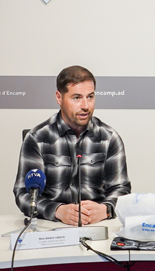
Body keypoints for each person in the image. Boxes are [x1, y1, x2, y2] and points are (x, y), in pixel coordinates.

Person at [14, 66, 131, 225]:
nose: (85, 105)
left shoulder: (109, 138)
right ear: (59, 97)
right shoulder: (37, 139)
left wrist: (105, 209)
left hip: (97, 225)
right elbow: (24, 195)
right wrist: (57, 211)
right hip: (51, 226)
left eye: (90, 97)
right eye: (76, 97)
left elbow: (121, 190)